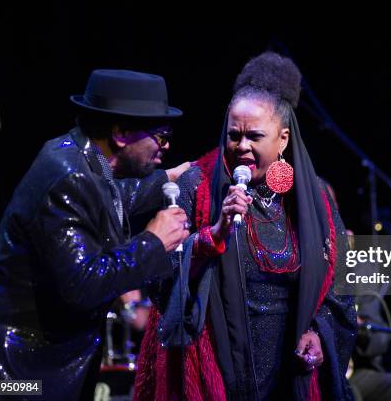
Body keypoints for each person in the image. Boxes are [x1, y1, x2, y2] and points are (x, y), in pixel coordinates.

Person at [134, 52, 357, 400]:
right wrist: (212, 236)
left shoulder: (314, 201)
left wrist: (319, 330)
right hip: (219, 372)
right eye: (234, 135)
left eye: (254, 136)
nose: (242, 147)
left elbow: (340, 280)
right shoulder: (197, 186)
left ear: (283, 139)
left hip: (288, 374)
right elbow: (159, 277)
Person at [0, 69, 191, 400]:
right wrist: (153, 243)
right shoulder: (68, 177)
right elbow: (83, 284)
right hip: (13, 370)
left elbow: (113, 199)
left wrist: (168, 179)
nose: (167, 145)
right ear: (120, 132)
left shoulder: (88, 162)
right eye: (160, 136)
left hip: (31, 361)